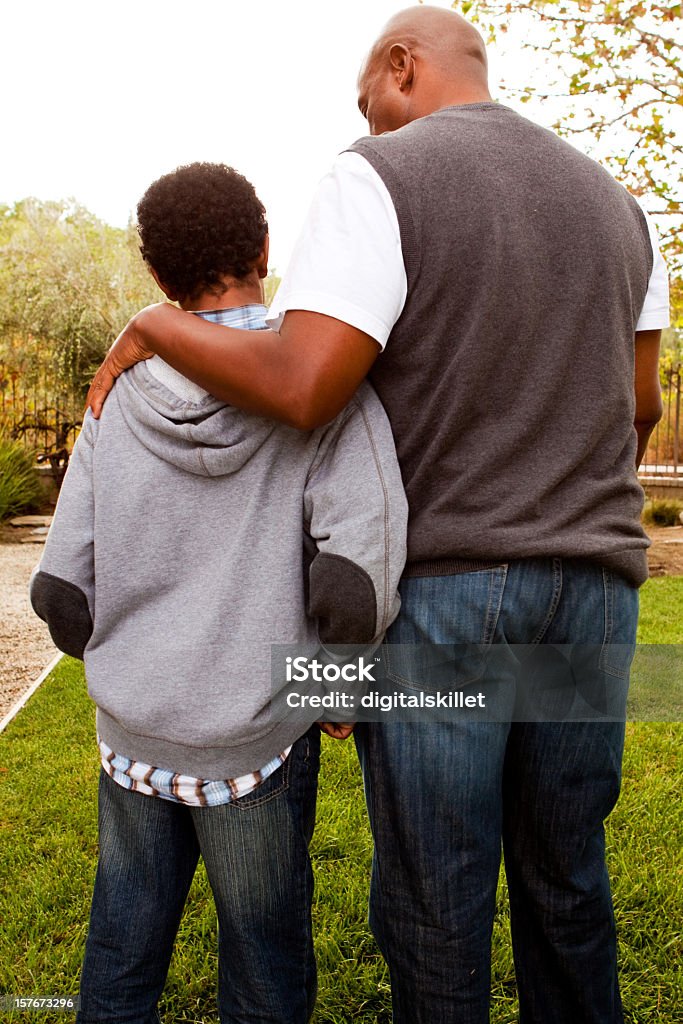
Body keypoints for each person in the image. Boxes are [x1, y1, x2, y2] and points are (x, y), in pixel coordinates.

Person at [85, 7, 670, 1023]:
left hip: (451, 599)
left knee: (439, 896)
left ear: (400, 67)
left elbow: (307, 383)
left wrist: (157, 326)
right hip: (592, 594)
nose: (367, 118)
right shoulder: (620, 207)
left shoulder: (377, 176)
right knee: (565, 882)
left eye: (366, 97)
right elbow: (638, 408)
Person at [30, 161, 407, 1024]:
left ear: (156, 279)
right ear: (265, 248)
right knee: (265, 961)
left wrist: (147, 664)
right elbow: (356, 577)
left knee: (122, 953)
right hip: (255, 741)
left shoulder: (115, 392)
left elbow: (61, 592)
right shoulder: (321, 388)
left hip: (131, 734)